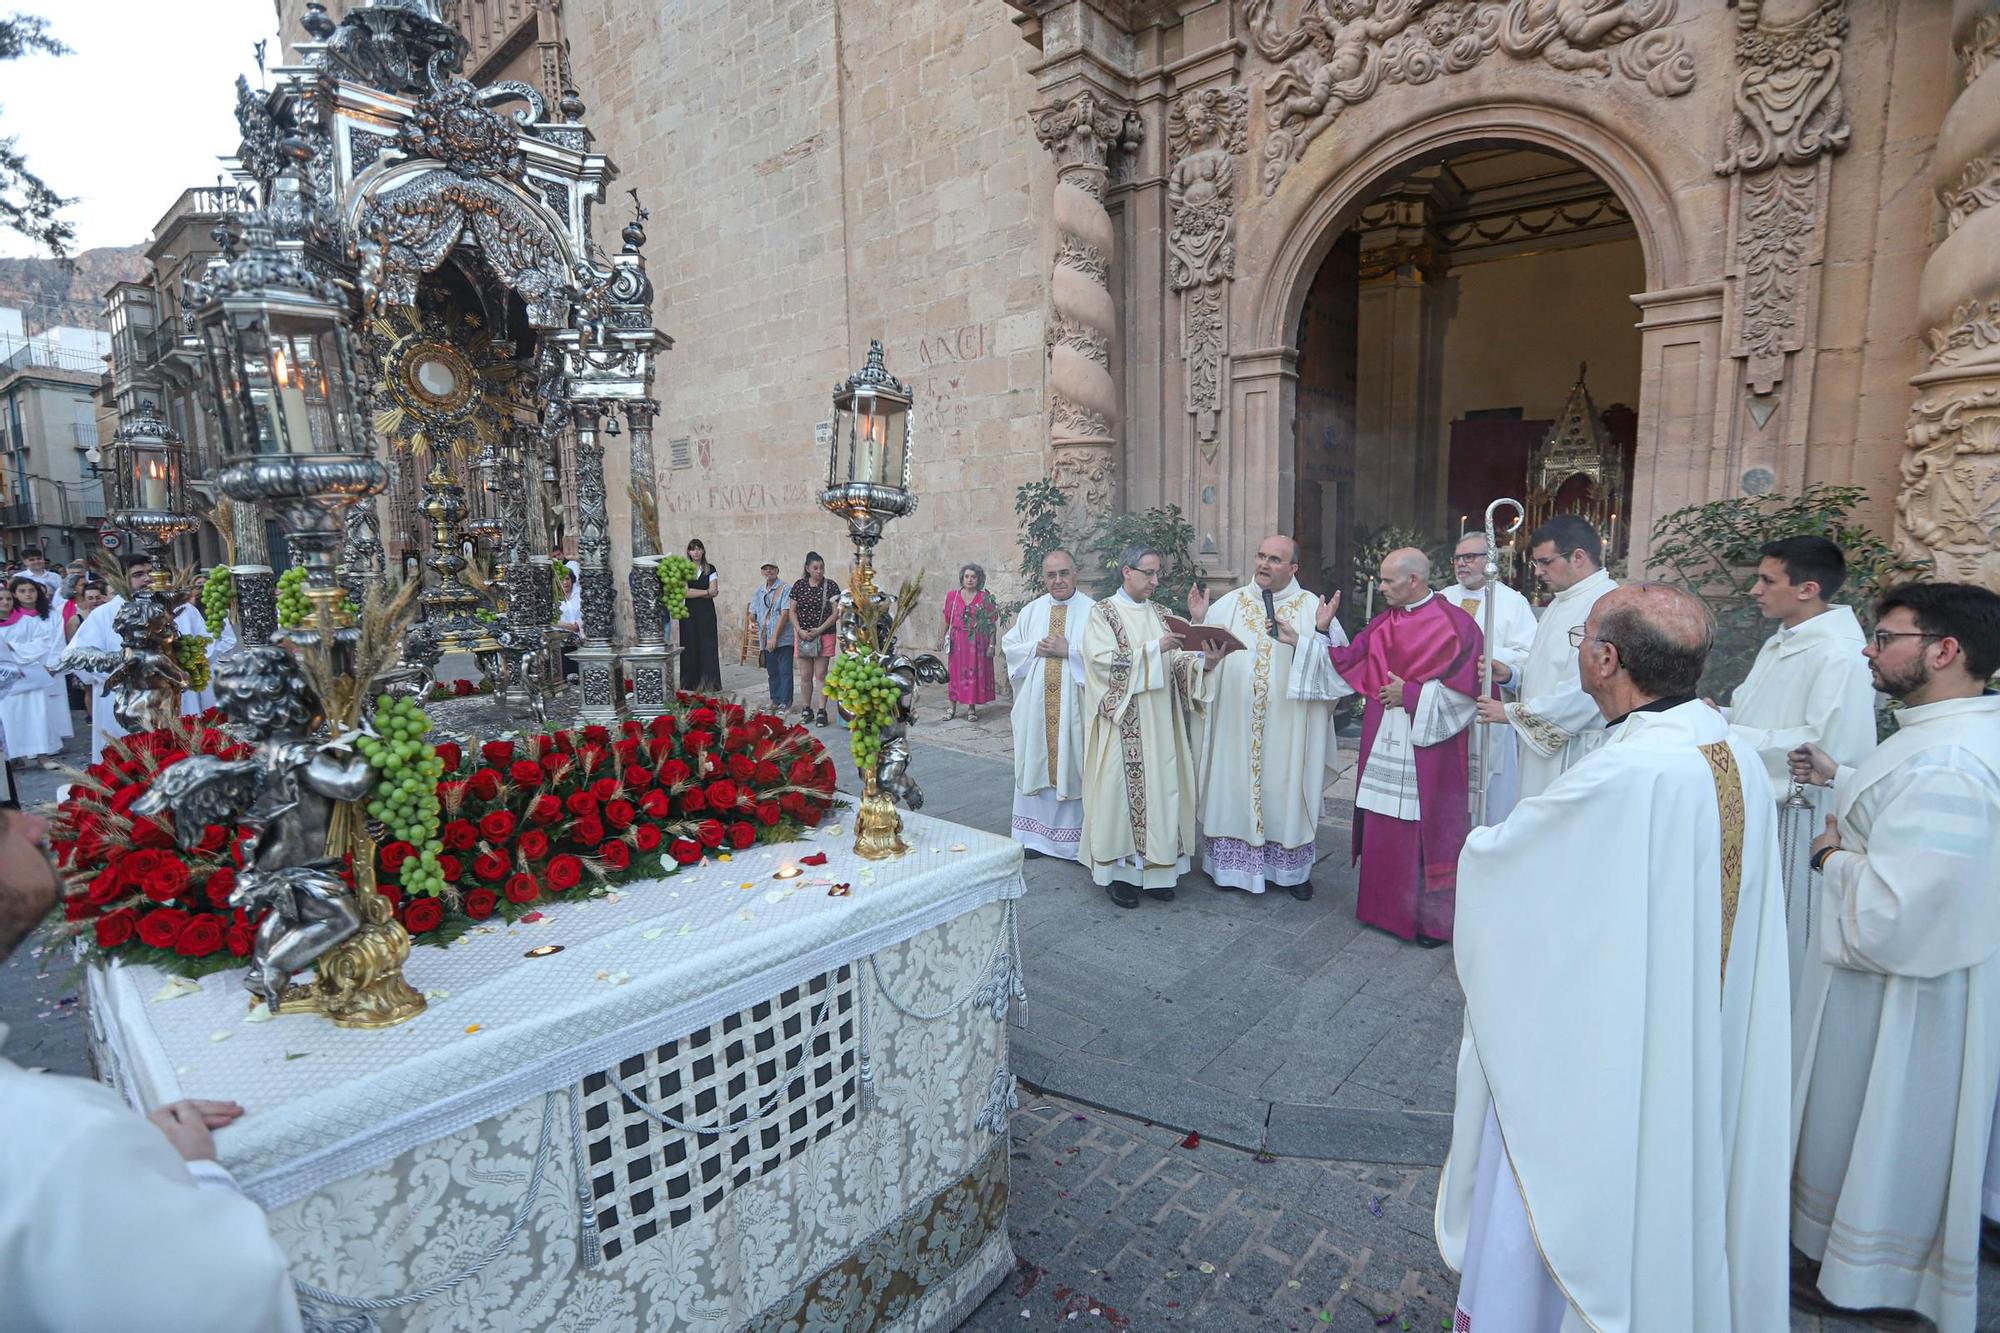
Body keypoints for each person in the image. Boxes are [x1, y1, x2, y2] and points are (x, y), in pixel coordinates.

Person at [1439, 583, 1790, 1332]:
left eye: (1581, 644)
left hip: (1610, 1058)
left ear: (1605, 659)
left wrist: (1471, 847)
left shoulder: (1626, 774)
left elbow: (1506, 872)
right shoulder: (1730, 751)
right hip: (1691, 1025)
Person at [1785, 582, 2000, 1332]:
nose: (1869, 650)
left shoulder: (1951, 764)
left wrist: (1829, 860)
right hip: (1900, 987)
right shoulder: (1947, 732)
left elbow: (1903, 910)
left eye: (1885, 636)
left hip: (1910, 1001)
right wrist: (1841, 776)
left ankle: (1870, 1272)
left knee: (1885, 1122)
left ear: (1945, 650)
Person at [0, 805, 304, 1331]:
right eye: (1, 824)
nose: (35, 826)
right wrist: (197, 1176)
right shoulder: (60, 1142)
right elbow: (218, 1305)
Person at [1713, 534, 1877, 997]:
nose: (1755, 590)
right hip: (1763, 801)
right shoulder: (1784, 640)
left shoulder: (1838, 653)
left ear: (1806, 589)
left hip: (1801, 815)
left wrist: (1727, 735)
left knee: (1787, 935)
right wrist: (1719, 715)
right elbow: (1758, 716)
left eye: (1768, 580)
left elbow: (1821, 748)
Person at [1295, 549, 1480, 943]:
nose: (1379, 588)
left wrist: (1410, 695)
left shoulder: (1456, 626)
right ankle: (1379, 909)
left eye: (1387, 581)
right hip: (1384, 740)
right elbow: (1346, 663)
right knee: (1381, 821)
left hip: (1428, 749)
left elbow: (1470, 695)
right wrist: (1321, 633)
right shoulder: (1383, 624)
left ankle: (1429, 922)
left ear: (1414, 580)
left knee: (1423, 829)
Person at [1187, 534, 1344, 899]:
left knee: (1285, 791)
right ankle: (1229, 869)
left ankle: (1291, 873)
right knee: (1234, 789)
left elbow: (1340, 674)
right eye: (1260, 556)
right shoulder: (1227, 605)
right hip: (1234, 726)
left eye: (1275, 559)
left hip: (1289, 728)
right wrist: (1199, 627)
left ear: (1293, 568)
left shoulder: (1312, 609)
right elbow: (1197, 666)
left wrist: (1313, 637)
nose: (1263, 564)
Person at [1078, 545, 1226, 907]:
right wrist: (1152, 650)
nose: (1155, 581)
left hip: (1161, 723)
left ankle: (1160, 871)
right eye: (1149, 573)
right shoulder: (1104, 614)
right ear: (1127, 571)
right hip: (1124, 722)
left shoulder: (1162, 614)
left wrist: (1204, 662)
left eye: (1158, 573)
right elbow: (1099, 664)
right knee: (1118, 797)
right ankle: (1121, 875)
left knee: (1163, 790)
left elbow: (1177, 665)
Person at [1473, 514, 1617, 799]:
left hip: (1576, 751)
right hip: (1545, 750)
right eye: (1535, 563)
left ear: (1578, 557)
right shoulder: (1560, 603)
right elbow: (1550, 669)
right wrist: (1513, 675)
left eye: (1545, 562)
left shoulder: (1608, 605)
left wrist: (1512, 714)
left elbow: (1589, 689)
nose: (1537, 572)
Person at [1000, 548, 1095, 860]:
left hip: (1075, 712)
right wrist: (1035, 649)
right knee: (1037, 761)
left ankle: (1073, 842)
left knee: (1075, 766)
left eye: (1064, 573)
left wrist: (1071, 650)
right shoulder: (1032, 611)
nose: (1058, 581)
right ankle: (1034, 838)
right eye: (1051, 575)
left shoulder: (1094, 612)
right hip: (1037, 711)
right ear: (1043, 578)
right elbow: (1010, 646)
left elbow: (1104, 657)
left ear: (1075, 573)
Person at [1446, 530, 1536, 824]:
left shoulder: (1513, 603)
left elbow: (1528, 657)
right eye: (1458, 558)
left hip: (1488, 713)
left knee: (1493, 794)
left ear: (1490, 560)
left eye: (1470, 557)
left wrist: (1483, 653)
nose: (1462, 564)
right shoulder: (1441, 599)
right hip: (1446, 713)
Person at [67, 553, 158, 760]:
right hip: (121, 697)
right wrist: (119, 668)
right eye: (138, 574)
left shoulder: (175, 608)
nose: (147, 578)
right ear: (120, 578)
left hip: (165, 697)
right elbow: (79, 656)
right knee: (126, 759)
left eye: (150, 572)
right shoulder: (104, 614)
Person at [0, 576, 61, 769]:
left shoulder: (27, 621)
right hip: (5, 681)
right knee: (9, 718)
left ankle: (43, 755)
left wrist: (14, 648)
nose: (6, 602)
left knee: (37, 715)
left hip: (29, 675)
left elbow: (42, 643)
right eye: (1, 600)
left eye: (9, 599)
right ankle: (13, 757)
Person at [782, 551, 839, 727]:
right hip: (804, 636)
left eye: (821, 567)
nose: (819, 571)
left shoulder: (831, 586)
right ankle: (807, 708)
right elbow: (792, 610)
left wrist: (819, 630)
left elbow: (837, 612)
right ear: (807, 569)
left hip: (825, 634)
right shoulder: (799, 586)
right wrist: (799, 630)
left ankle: (822, 710)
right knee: (806, 675)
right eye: (815, 568)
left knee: (821, 674)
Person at [944, 562, 998, 721]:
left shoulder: (985, 598)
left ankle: (971, 709)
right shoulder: (952, 596)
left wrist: (992, 644)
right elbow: (947, 619)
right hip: (957, 641)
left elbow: (991, 623)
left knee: (973, 674)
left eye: (973, 577)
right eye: (967, 576)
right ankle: (951, 708)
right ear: (962, 578)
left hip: (977, 642)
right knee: (954, 674)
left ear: (979, 579)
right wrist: (941, 637)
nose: (969, 580)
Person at [677, 538, 722, 692]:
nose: (696, 552)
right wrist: (705, 592)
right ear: (689, 552)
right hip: (688, 612)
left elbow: (714, 591)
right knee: (690, 645)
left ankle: (710, 682)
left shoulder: (710, 568)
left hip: (706, 612)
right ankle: (690, 682)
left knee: (707, 646)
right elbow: (684, 592)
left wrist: (696, 592)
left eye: (698, 548)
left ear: (703, 551)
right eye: (692, 549)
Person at [751, 560, 794, 711]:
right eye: (766, 569)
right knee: (773, 671)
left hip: (783, 638)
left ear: (777, 570)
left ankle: (785, 701)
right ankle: (775, 700)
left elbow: (785, 614)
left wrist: (774, 637)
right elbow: (753, 610)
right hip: (766, 637)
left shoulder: (785, 588)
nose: (769, 571)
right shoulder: (759, 591)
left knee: (785, 671)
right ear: (762, 572)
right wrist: (753, 620)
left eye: (772, 568)